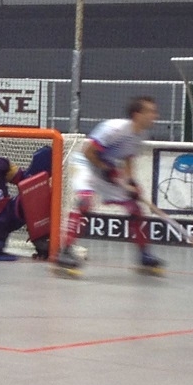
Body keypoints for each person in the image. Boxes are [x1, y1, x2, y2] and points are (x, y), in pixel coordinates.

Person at [55, 96, 162, 277]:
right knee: (85, 203)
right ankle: (64, 252)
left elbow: (128, 159)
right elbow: (88, 152)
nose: (155, 116)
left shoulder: (140, 135)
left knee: (135, 208)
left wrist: (131, 183)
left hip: (106, 168)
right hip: (85, 164)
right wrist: (106, 169)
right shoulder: (115, 129)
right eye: (151, 112)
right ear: (137, 114)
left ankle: (144, 255)